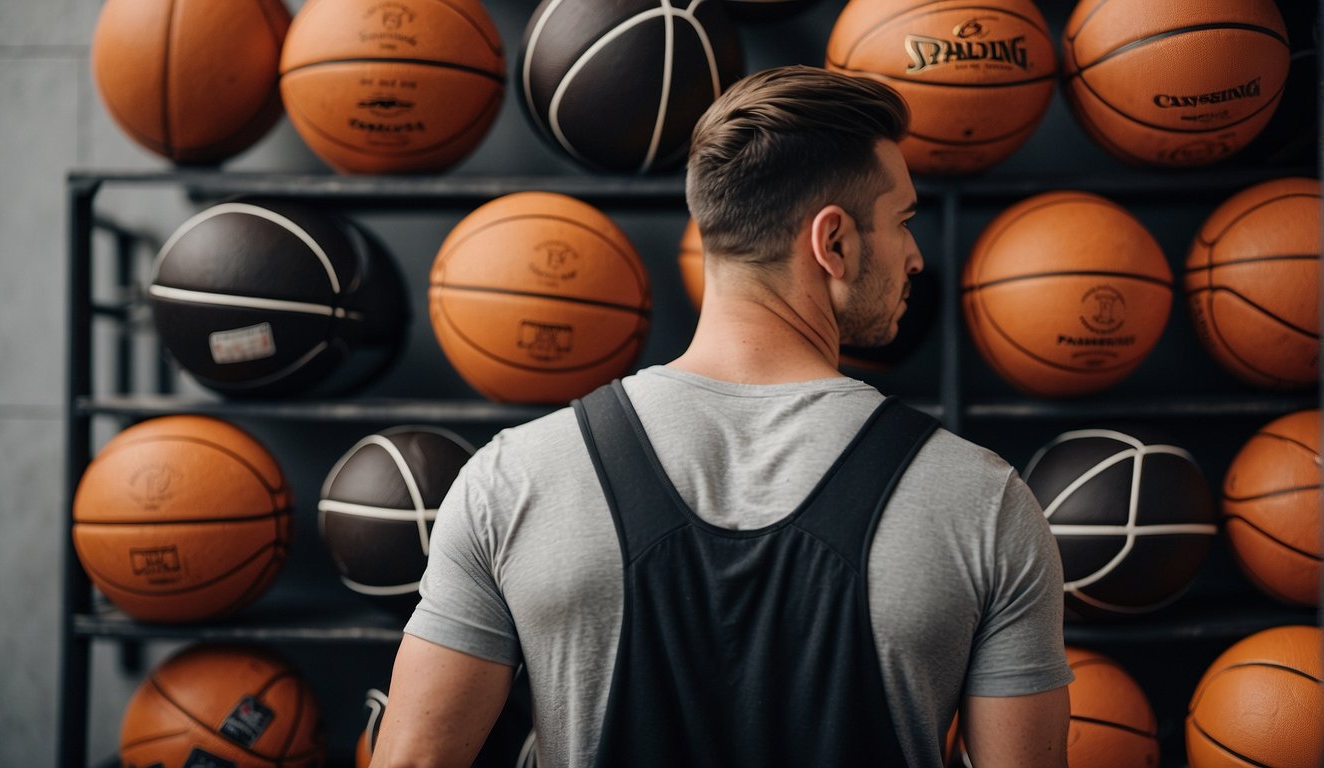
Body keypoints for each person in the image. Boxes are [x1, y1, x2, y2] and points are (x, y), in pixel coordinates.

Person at [372, 65, 1072, 768]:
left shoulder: (514, 479)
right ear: (833, 243)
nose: (916, 257)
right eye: (903, 222)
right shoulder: (982, 502)